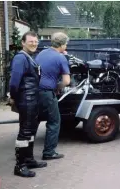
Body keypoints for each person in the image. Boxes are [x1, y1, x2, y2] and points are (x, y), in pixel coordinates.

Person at [9, 31, 47, 177]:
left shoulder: (29, 58)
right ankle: (20, 165)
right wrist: (13, 97)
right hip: (26, 100)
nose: (34, 44)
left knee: (30, 131)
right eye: (31, 41)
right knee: (24, 132)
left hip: (32, 100)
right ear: (23, 43)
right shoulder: (20, 58)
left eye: (36, 41)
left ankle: (29, 159)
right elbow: (14, 82)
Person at [35, 32, 70, 160]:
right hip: (47, 93)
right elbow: (66, 81)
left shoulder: (41, 53)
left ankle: (24, 150)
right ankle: (49, 152)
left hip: (34, 92)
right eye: (66, 44)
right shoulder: (60, 58)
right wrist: (57, 87)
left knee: (34, 120)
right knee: (54, 121)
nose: (66, 46)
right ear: (62, 44)